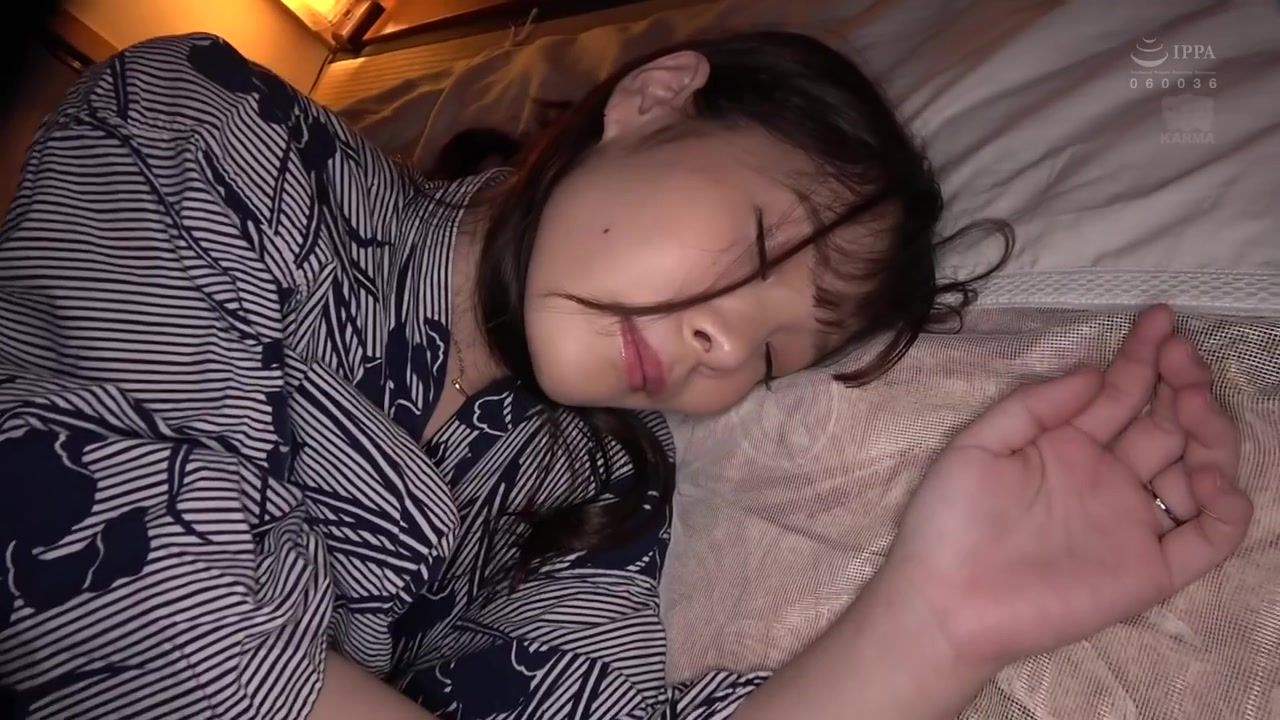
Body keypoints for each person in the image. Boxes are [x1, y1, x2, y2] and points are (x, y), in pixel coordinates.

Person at [0, 31, 1250, 720]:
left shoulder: (597, 492)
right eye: (755, 249)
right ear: (655, 100)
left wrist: (938, 621)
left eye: (772, 356)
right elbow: (106, 581)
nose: (726, 349)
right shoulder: (205, 128)